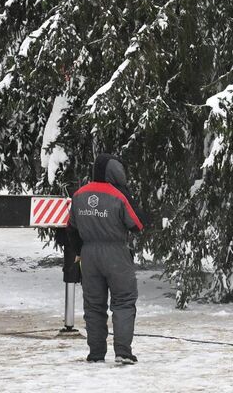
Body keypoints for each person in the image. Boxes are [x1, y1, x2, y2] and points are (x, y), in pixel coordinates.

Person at [72, 153, 144, 364]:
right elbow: (137, 224)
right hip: (116, 254)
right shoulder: (119, 195)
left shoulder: (79, 195)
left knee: (93, 305)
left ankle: (96, 354)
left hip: (89, 255)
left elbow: (71, 228)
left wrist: (80, 251)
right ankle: (122, 351)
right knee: (123, 301)